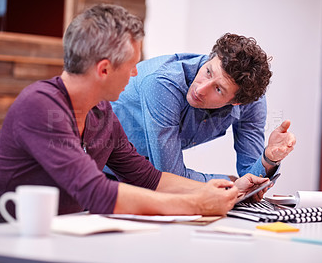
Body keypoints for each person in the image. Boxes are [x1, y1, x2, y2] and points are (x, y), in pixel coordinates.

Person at [0, 4, 270, 218]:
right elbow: (97, 192)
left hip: (58, 236)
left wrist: (218, 188)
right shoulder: (42, 107)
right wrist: (197, 204)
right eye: (131, 65)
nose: (136, 74)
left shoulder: (101, 113)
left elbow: (148, 176)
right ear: (104, 69)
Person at [110, 33, 296, 182]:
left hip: (143, 178)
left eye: (218, 89)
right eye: (208, 72)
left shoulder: (251, 103)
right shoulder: (162, 84)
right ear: (211, 58)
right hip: (100, 169)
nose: (200, 88)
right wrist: (230, 184)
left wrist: (268, 159)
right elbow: (170, 178)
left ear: (236, 101)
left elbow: (251, 179)